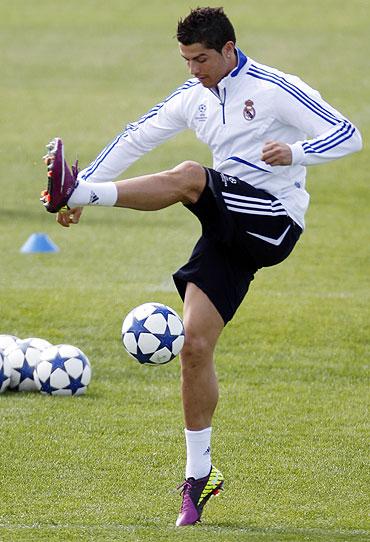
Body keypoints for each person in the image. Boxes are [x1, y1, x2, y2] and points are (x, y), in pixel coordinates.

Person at [40, 7, 362, 526]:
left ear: (229, 48)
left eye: (203, 59)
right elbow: (137, 135)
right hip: (227, 226)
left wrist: (297, 152)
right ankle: (199, 476)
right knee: (193, 347)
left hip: (272, 220)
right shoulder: (194, 97)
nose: (194, 69)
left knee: (191, 176)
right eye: (187, 60)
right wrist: (80, 192)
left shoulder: (277, 87)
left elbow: (348, 134)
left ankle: (78, 188)